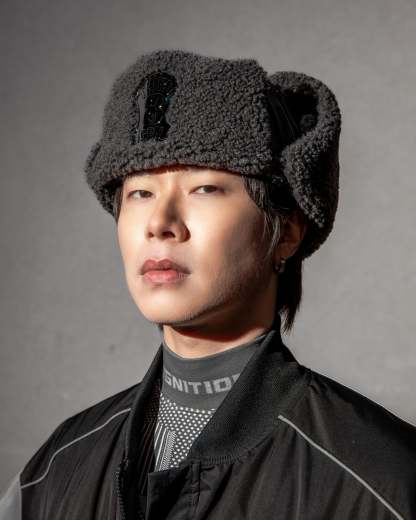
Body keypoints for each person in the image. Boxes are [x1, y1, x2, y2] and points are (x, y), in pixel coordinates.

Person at [1, 48, 415, 520]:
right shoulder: (56, 470)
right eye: (140, 192)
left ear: (286, 232)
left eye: (204, 188)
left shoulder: (381, 485)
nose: (160, 223)